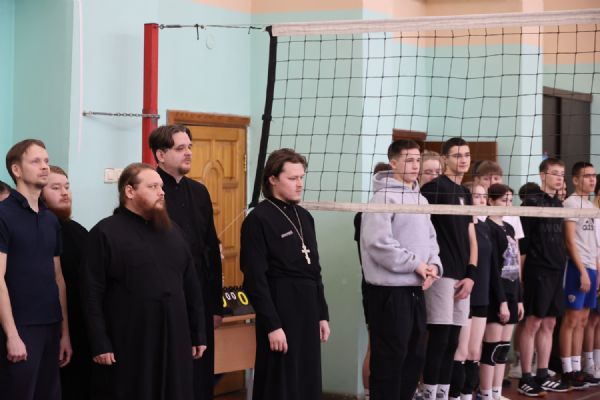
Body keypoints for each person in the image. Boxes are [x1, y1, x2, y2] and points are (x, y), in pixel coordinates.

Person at [81, 162, 207, 400]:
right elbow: (91, 294)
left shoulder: (173, 231)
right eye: (153, 187)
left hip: (176, 336)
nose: (162, 192)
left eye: (161, 187)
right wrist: (100, 342)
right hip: (131, 340)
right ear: (130, 191)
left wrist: (198, 332)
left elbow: (191, 286)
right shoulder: (105, 233)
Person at [240, 148, 330, 400]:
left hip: (308, 310)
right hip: (280, 309)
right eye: (292, 178)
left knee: (307, 379)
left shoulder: (305, 217)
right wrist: (273, 325)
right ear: (273, 179)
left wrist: (322, 314)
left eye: (301, 177)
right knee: (280, 382)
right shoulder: (258, 219)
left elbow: (314, 270)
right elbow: (255, 279)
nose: (299, 184)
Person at [361, 140, 441, 399]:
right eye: (409, 160)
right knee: (390, 358)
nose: (415, 165)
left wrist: (433, 266)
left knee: (415, 355)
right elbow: (379, 244)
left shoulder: (421, 199)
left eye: (418, 160)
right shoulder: (382, 198)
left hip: (415, 290)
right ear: (393, 163)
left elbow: (431, 240)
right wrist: (416, 264)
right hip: (389, 293)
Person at [149, 124, 223, 399]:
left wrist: (215, 305)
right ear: (160, 155)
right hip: (166, 298)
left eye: (190, 147)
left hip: (201, 297)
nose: (189, 153)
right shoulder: (150, 191)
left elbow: (211, 249)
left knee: (201, 372)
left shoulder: (199, 192)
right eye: (180, 148)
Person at [0, 139, 72, 400]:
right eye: (36, 161)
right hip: (20, 327)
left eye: (46, 161)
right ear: (16, 170)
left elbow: (58, 278)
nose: (44, 166)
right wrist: (12, 334)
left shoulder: (50, 219)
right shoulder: (3, 215)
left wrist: (65, 333)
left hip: (51, 325)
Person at [420, 137, 478, 400]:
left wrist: (471, 274)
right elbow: (422, 232)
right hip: (441, 274)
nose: (463, 160)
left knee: (453, 341)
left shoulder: (465, 192)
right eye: (457, 155)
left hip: (463, 277)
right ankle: (429, 393)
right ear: (445, 159)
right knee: (439, 339)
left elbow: (471, 237)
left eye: (466, 155)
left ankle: (443, 393)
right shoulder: (433, 189)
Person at [517, 158, 570, 396]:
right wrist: (521, 277)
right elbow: (523, 245)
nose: (559, 178)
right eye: (555, 173)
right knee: (533, 322)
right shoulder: (531, 202)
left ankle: (542, 373)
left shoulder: (558, 204)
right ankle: (525, 377)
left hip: (556, 271)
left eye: (562, 174)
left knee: (550, 323)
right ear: (542, 175)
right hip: (537, 271)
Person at [41, 166, 91, 400]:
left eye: (67, 187)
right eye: (56, 187)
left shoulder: (79, 231)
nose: (64, 192)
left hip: (80, 324)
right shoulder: (39, 230)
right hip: (51, 324)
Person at [479, 184, 524, 400]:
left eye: (510, 200)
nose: (508, 204)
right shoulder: (488, 228)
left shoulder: (509, 228)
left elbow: (515, 266)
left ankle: (497, 393)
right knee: (492, 348)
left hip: (512, 292)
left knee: (504, 348)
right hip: (496, 295)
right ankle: (486, 393)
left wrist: (519, 299)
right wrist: (502, 301)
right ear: (491, 201)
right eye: (503, 200)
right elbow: (494, 269)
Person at [450, 183, 492, 400]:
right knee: (461, 350)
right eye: (476, 196)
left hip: (481, 295)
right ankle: (453, 395)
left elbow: (493, 266)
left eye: (484, 196)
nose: (481, 200)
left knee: (475, 351)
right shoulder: (461, 226)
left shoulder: (486, 227)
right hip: (464, 291)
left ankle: (468, 395)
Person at [559, 162, 600, 388]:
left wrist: (596, 271)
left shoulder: (592, 206)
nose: (592, 180)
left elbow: (595, 243)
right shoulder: (571, 203)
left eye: (594, 176)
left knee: (583, 320)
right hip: (576, 268)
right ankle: (567, 370)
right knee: (572, 319)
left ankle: (578, 368)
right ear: (575, 180)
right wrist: (583, 270)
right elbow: (569, 240)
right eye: (587, 176)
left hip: (591, 268)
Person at [353, 161, 391, 400]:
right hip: (374, 286)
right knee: (375, 345)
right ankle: (368, 394)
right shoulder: (367, 213)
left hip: (401, 288)